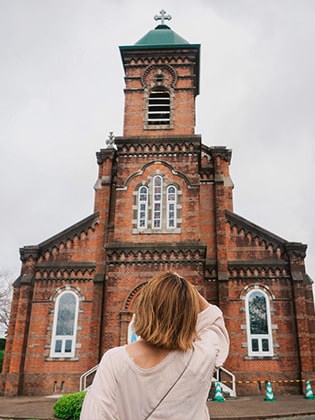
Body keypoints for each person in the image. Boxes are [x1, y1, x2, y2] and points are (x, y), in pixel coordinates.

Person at [80, 272, 229, 420]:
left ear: (143, 307)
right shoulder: (202, 357)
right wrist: (186, 288)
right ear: (190, 316)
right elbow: (214, 320)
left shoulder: (114, 361)